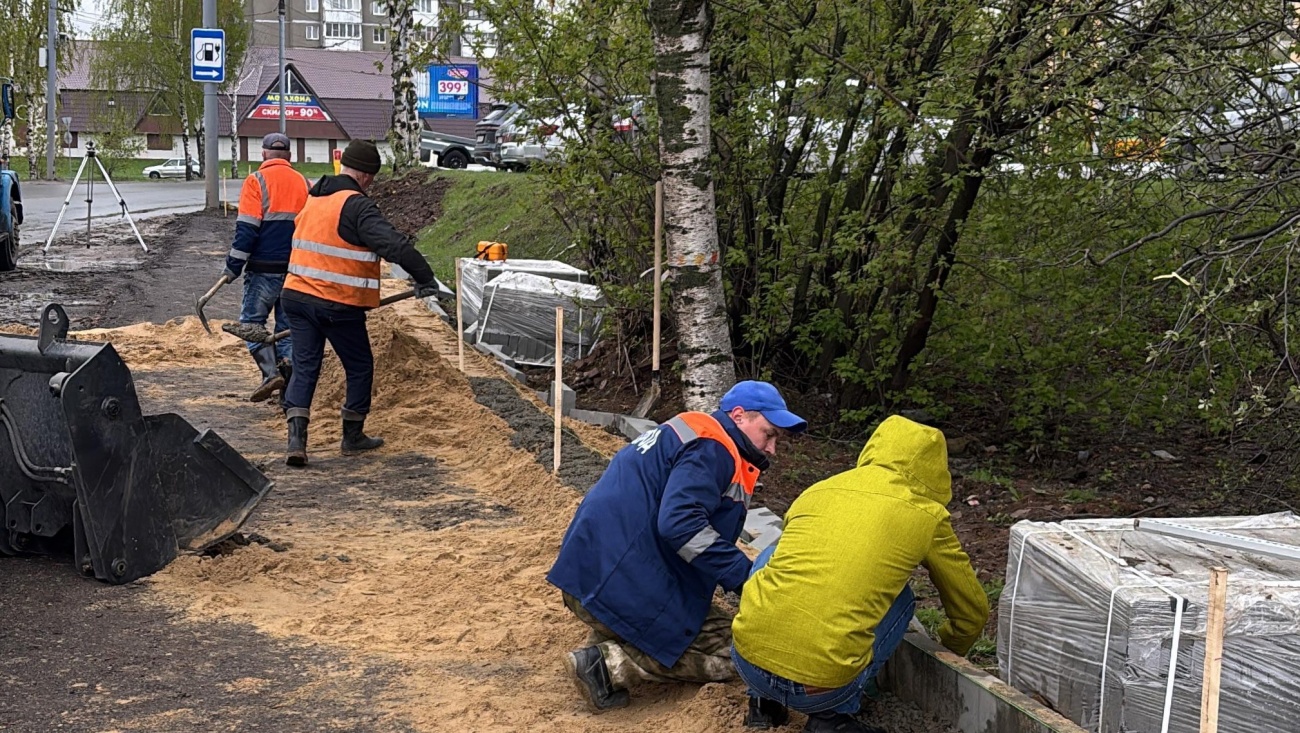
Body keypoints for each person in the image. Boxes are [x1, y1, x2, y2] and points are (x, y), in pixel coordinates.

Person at [548, 381, 808, 713]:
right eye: (769, 434)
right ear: (740, 416)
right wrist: (746, 578)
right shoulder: (714, 448)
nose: (772, 448)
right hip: (620, 582)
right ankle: (609, 665)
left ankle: (608, 641)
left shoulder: (690, 429)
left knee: (697, 617)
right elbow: (680, 524)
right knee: (744, 653)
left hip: (590, 571)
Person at [730, 415, 990, 733]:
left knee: (774, 555)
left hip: (746, 660)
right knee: (903, 599)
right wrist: (949, 654)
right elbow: (972, 612)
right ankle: (833, 717)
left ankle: (762, 702)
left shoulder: (818, 491)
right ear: (934, 470)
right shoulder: (926, 514)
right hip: (819, 690)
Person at [279, 139, 439, 467]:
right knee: (360, 365)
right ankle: (352, 436)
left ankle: (297, 439)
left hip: (295, 296)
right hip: (336, 304)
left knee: (306, 366)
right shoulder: (357, 205)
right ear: (366, 176)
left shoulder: (315, 199)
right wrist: (425, 277)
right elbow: (393, 245)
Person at [223, 132, 309, 403]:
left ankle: (271, 374)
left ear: (262, 154)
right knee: (288, 327)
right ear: (290, 157)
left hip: (263, 269)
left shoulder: (256, 181)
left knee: (251, 323)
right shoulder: (304, 182)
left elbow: (247, 229)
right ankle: (289, 389)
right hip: (296, 268)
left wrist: (233, 266)